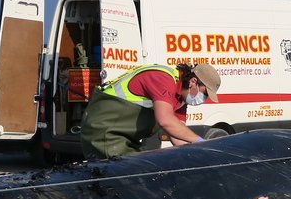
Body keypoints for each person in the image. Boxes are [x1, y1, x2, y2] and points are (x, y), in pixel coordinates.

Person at [81, 63, 221, 159]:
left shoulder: (181, 98)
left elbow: (177, 135)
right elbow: (165, 120)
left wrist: (198, 154)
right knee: (129, 181)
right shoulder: (164, 79)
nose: (204, 99)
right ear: (193, 81)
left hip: (125, 138)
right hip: (104, 133)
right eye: (205, 93)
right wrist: (199, 140)